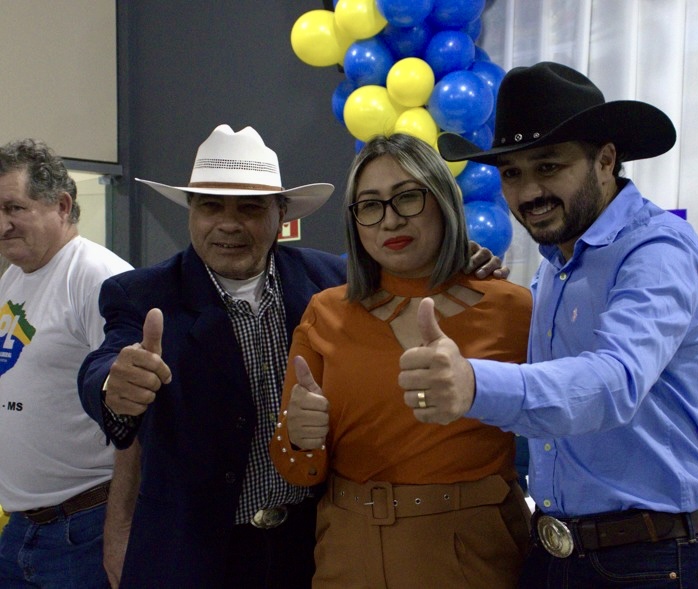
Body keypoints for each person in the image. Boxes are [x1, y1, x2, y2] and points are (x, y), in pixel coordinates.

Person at [76, 124, 504, 588]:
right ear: (190, 213)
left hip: (311, 547)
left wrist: (466, 262)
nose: (229, 223)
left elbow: (416, 271)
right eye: (210, 206)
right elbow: (106, 362)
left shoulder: (335, 282)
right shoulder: (141, 295)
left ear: (281, 213)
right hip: (192, 556)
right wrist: (111, 386)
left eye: (251, 208)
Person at [398, 61, 698, 587]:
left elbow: (613, 381)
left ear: (605, 161)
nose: (528, 191)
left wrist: (472, 383)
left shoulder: (657, 248)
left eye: (548, 166)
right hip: (559, 554)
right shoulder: (556, 267)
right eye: (511, 173)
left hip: (647, 565)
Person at [270, 133, 533, 588]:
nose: (390, 220)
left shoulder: (514, 309)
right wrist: (298, 436)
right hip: (348, 553)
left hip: (471, 554)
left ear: (443, 200)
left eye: (408, 197)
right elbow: (297, 467)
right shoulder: (326, 313)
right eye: (370, 205)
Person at [0, 138, 133, 587]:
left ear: (61, 205)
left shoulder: (97, 277)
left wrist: (121, 529)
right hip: (21, 527)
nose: (2, 225)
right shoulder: (14, 277)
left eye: (13, 208)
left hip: (84, 527)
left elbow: (137, 418)